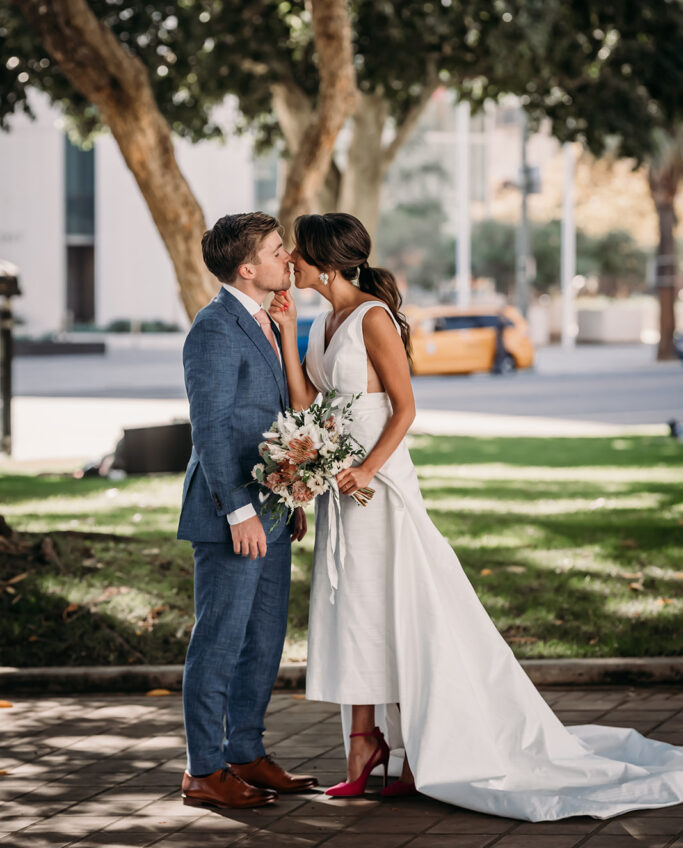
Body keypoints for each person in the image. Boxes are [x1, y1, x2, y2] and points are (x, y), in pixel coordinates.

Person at [270, 211, 683, 822]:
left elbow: (405, 409)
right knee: (353, 609)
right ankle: (363, 750)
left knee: (402, 607)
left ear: (326, 261)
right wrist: (285, 332)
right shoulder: (321, 321)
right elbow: (308, 403)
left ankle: (418, 750)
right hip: (338, 489)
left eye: (298, 252)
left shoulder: (373, 319)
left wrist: (368, 470)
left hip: (380, 487)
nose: (292, 261)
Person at [178, 212, 318, 813]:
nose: (287, 257)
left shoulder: (265, 319)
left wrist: (291, 495)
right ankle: (204, 771)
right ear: (247, 267)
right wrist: (239, 511)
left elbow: (278, 414)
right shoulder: (213, 329)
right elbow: (209, 430)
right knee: (220, 640)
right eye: (276, 249)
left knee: (263, 641)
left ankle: (246, 752)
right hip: (228, 514)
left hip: (275, 509)